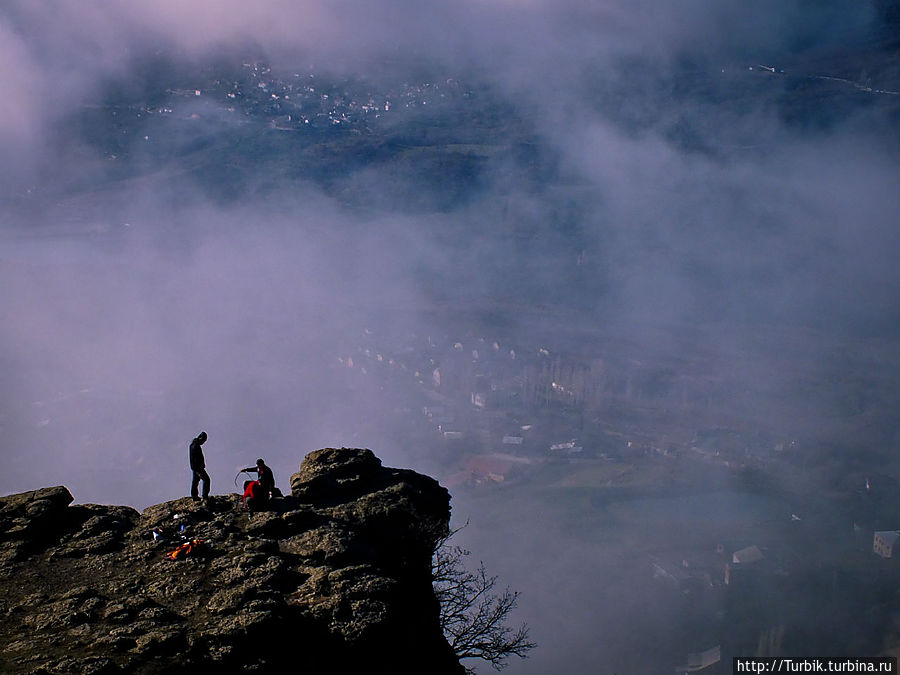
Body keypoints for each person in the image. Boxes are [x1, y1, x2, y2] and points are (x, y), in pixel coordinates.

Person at [189, 431, 210, 503]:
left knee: (195, 481)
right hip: (198, 468)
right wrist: (197, 470)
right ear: (200, 438)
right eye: (203, 440)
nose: (203, 442)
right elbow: (195, 459)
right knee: (206, 480)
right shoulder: (195, 446)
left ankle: (194, 496)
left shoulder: (194, 445)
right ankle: (205, 496)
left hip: (196, 467)